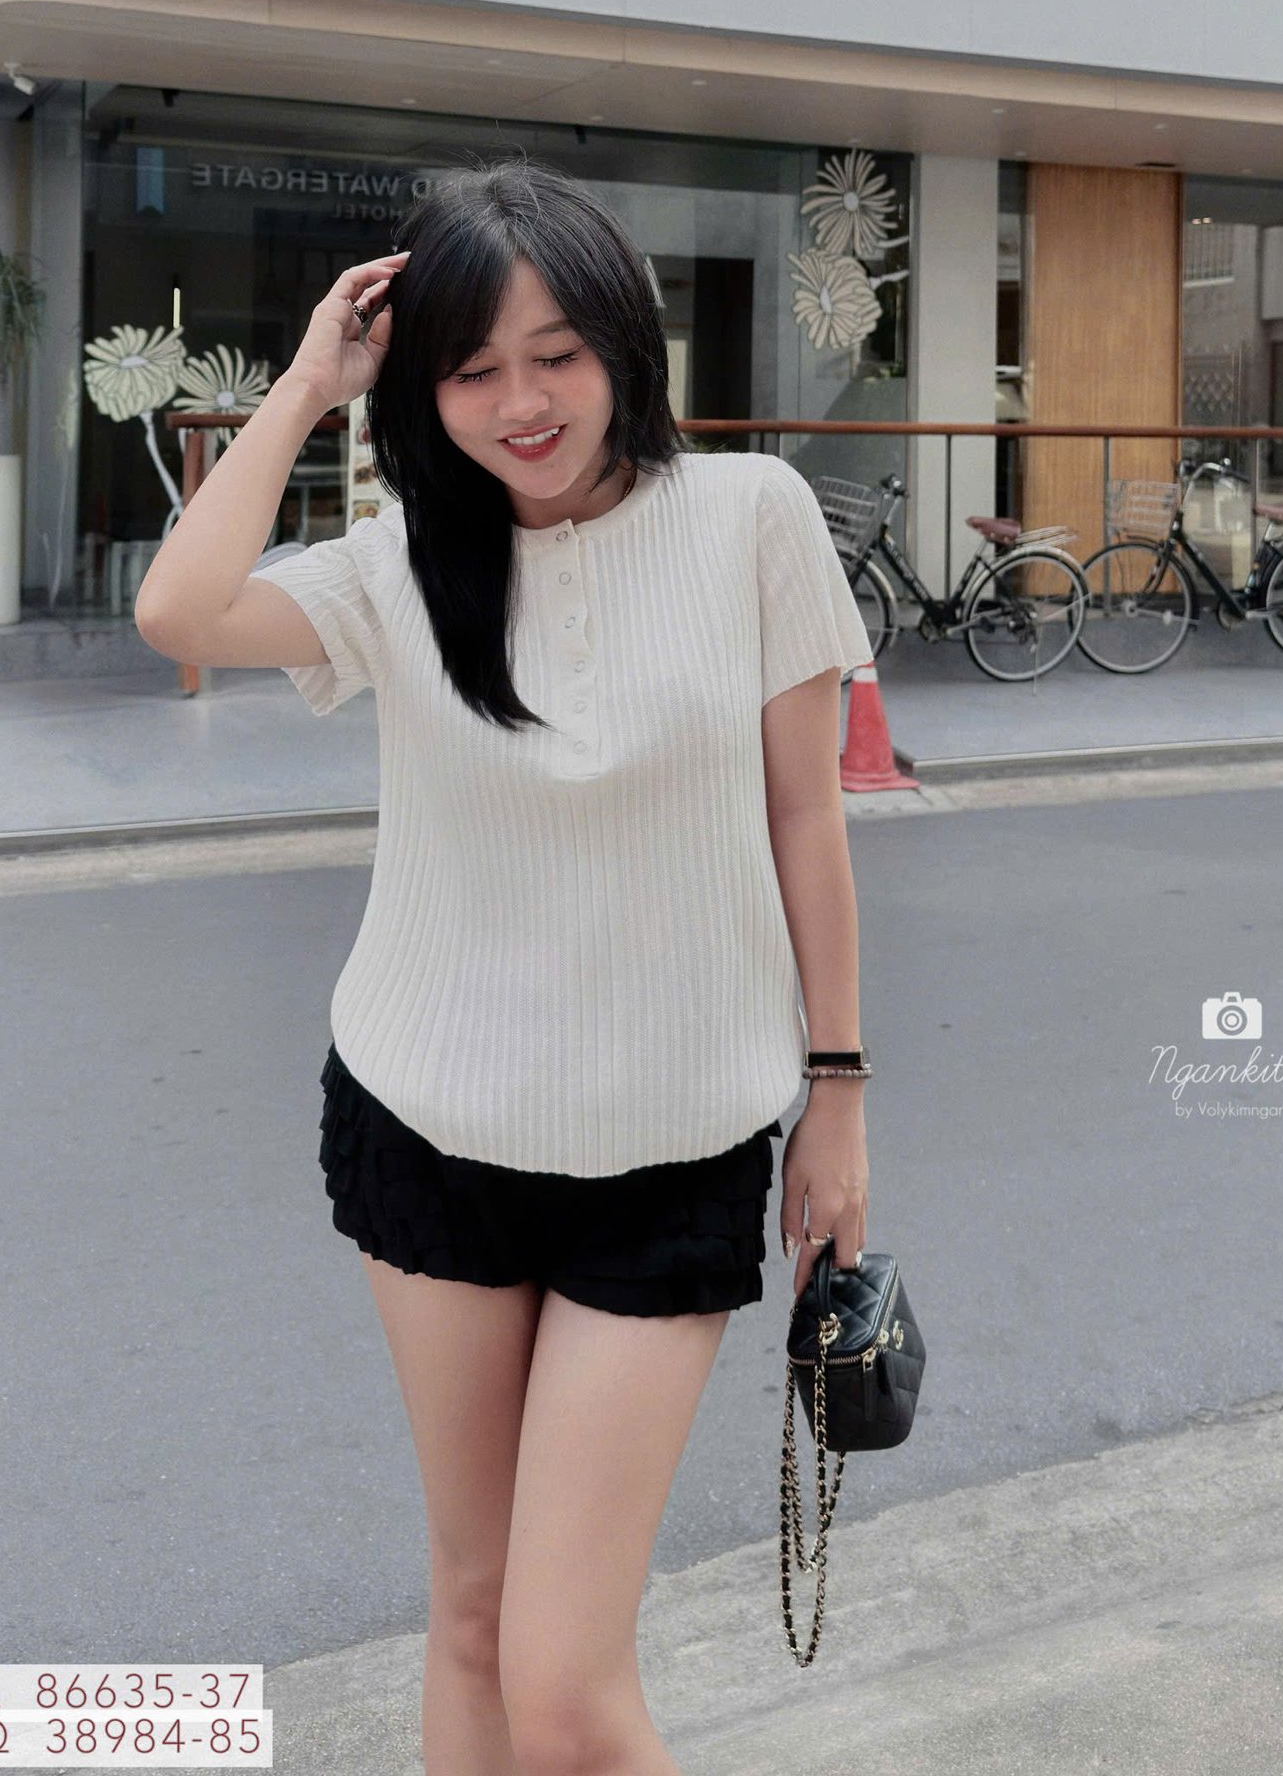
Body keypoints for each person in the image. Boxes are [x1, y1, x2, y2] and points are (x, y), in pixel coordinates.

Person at [134, 157, 878, 1776]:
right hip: (432, 1128)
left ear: (625, 344)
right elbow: (178, 608)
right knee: (471, 1614)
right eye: (471, 370)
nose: (522, 405)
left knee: (564, 1681)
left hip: (673, 1151)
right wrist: (310, 386)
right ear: (422, 389)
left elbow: (806, 819)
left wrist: (837, 1093)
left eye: (558, 355)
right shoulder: (401, 566)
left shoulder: (750, 517)